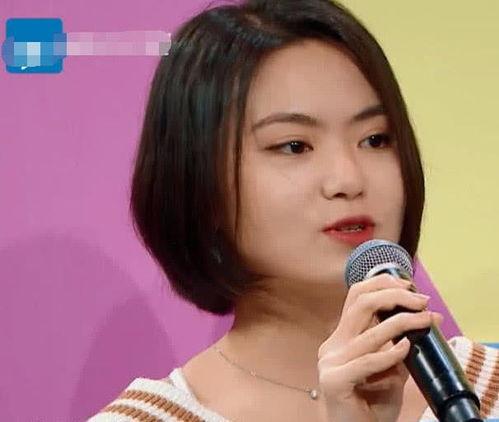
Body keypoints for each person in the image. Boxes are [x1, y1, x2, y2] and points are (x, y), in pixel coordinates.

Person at [88, 0, 499, 421]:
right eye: (295, 146)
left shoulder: (487, 389)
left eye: (375, 139)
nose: (348, 179)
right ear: (199, 179)